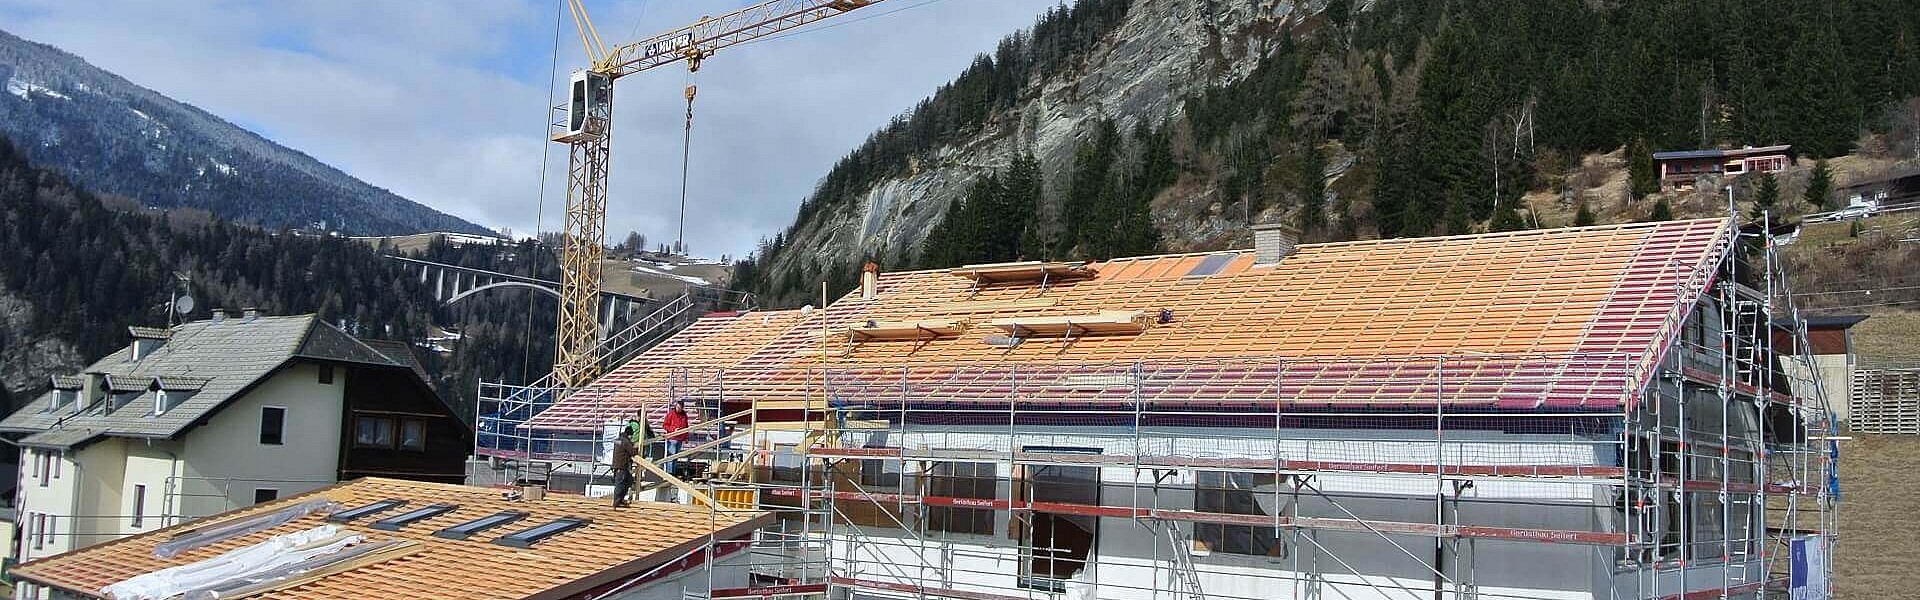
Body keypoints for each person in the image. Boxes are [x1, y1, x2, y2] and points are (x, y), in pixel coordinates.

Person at [609, 418, 640, 507]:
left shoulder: (618, 440)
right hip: (622, 466)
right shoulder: (625, 441)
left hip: (618, 466)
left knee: (628, 481)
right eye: (631, 436)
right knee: (620, 485)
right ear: (629, 434)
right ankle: (616, 502)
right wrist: (636, 448)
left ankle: (620, 500)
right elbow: (633, 452)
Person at [661, 401, 690, 476]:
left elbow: (686, 426)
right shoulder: (671, 414)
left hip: (680, 439)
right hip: (672, 438)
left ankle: (673, 473)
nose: (679, 409)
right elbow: (665, 425)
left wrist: (686, 437)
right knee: (671, 456)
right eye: (678, 407)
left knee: (676, 457)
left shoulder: (684, 415)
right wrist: (673, 429)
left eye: (680, 408)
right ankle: (669, 473)